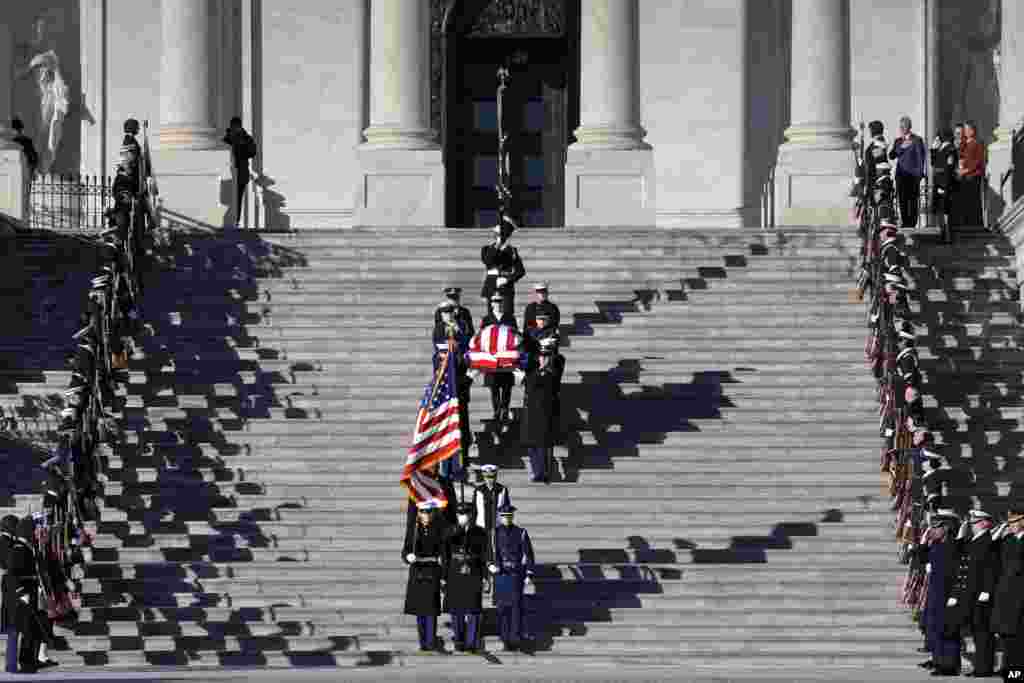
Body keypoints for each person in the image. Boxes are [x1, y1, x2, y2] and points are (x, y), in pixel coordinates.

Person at [944, 509, 1000, 677]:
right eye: (970, 523)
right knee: (977, 632)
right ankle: (981, 668)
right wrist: (961, 532)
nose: (971, 525)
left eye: (974, 523)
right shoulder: (973, 540)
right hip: (969, 594)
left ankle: (984, 669)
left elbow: (991, 568)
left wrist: (987, 590)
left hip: (980, 594)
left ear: (984, 523)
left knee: (982, 633)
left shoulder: (988, 541)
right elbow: (955, 553)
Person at [434, 300, 474, 481]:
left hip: (460, 391)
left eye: (450, 312)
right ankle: (445, 466)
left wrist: (459, 333)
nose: (447, 315)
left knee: (462, 428)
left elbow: (468, 346)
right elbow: (438, 352)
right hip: (446, 392)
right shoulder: (439, 330)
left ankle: (461, 463)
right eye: (444, 313)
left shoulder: (461, 326)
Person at [443, 501, 489, 653]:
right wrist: (444, 577)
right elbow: (445, 555)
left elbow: (484, 556)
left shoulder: (480, 532)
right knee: (457, 610)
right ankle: (459, 639)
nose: (464, 516)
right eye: (461, 514)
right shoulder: (451, 531)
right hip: (455, 573)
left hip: (473, 571)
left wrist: (485, 576)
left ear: (472, 515)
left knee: (474, 610)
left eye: (467, 513)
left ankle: (471, 641)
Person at [920, 508, 962, 676]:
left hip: (948, 593)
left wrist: (954, 595)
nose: (932, 530)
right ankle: (939, 661)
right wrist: (924, 541)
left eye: (935, 527)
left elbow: (958, 574)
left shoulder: (953, 546)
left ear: (946, 528)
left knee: (948, 629)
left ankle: (950, 665)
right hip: (936, 592)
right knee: (935, 627)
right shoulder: (936, 544)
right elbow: (921, 558)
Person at [518, 333, 565, 483]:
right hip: (532, 412)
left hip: (546, 412)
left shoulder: (553, 371)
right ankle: (538, 471)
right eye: (541, 356)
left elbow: (536, 380)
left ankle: (543, 472)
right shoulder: (534, 370)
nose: (542, 359)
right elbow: (527, 360)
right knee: (533, 445)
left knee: (544, 445)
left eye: (546, 356)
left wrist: (550, 348)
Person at [489, 502, 535, 652]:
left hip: (515, 574)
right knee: (503, 609)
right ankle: (504, 639)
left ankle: (515, 638)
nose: (506, 519)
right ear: (500, 517)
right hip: (501, 574)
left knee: (516, 608)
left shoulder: (520, 532)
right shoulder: (494, 533)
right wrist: (490, 566)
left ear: (512, 517)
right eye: (504, 516)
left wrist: (528, 573)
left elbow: (528, 554)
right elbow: (489, 553)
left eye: (509, 516)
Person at [402, 500, 447, 653]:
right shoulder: (413, 529)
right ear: (419, 514)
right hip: (417, 570)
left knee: (431, 610)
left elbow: (443, 551)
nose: (425, 515)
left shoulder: (439, 528)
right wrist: (408, 556)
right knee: (420, 610)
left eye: (428, 512)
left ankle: (430, 640)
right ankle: (423, 642)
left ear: (432, 513)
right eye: (422, 512)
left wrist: (443, 574)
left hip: (432, 569)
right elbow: (405, 550)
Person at [479, 293, 519, 432]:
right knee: (494, 387)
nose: (498, 303)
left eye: (500, 301)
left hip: (506, 358)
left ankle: (505, 409)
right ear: (491, 304)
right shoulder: (487, 319)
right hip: (492, 358)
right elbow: (482, 337)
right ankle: (497, 411)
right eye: (495, 301)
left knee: (507, 386)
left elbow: (516, 335)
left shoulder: (510, 318)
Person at [991, 508, 1024, 676]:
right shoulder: (1008, 540)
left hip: (1020, 596)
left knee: (1018, 638)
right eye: (1008, 522)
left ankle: (1016, 672)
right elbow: (989, 547)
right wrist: (1000, 529)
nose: (1009, 525)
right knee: (1007, 636)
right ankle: (1009, 668)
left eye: (1012, 522)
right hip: (1005, 594)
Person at [474, 464, 511, 594]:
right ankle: (485, 580)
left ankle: (498, 584)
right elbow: (474, 510)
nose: (490, 479)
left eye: (492, 477)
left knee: (497, 554)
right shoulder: (479, 490)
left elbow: (507, 509)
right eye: (487, 477)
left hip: (497, 527)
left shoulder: (502, 489)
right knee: (483, 554)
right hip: (482, 527)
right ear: (483, 476)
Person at [888, 116, 927, 228]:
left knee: (913, 200)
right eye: (900, 126)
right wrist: (900, 147)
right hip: (901, 175)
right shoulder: (898, 141)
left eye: (903, 126)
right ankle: (905, 222)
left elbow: (921, 158)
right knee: (902, 200)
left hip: (913, 176)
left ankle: (912, 223)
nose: (901, 128)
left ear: (909, 127)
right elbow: (892, 156)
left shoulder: (917, 140)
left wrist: (919, 174)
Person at [480, 221, 526, 312]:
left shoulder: (512, 250)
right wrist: (497, 246)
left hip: (506, 287)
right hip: (492, 284)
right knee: (492, 315)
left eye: (499, 235)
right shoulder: (486, 249)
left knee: (507, 315)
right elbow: (488, 261)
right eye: (496, 235)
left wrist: (507, 279)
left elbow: (520, 271)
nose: (498, 237)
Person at [223, 116, 258, 227]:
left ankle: (236, 221)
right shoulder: (229, 136)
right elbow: (224, 146)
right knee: (230, 198)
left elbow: (252, 152)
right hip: (229, 172)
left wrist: (242, 146)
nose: (234, 128)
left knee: (238, 197)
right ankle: (231, 220)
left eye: (235, 126)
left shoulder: (246, 138)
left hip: (241, 171)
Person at [930, 128, 958, 243]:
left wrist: (944, 185)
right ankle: (942, 235)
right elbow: (933, 163)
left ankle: (947, 236)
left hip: (944, 183)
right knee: (941, 210)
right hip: (939, 183)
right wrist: (933, 149)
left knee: (946, 211)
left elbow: (949, 168)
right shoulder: (940, 149)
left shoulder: (950, 149)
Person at [957, 120, 986, 228]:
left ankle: (975, 224)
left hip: (973, 176)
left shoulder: (977, 143)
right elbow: (960, 156)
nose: (966, 131)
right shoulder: (964, 143)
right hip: (964, 176)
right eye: (965, 129)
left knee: (973, 201)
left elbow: (978, 161)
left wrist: (967, 170)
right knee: (965, 202)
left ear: (973, 130)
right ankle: (966, 223)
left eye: (968, 129)